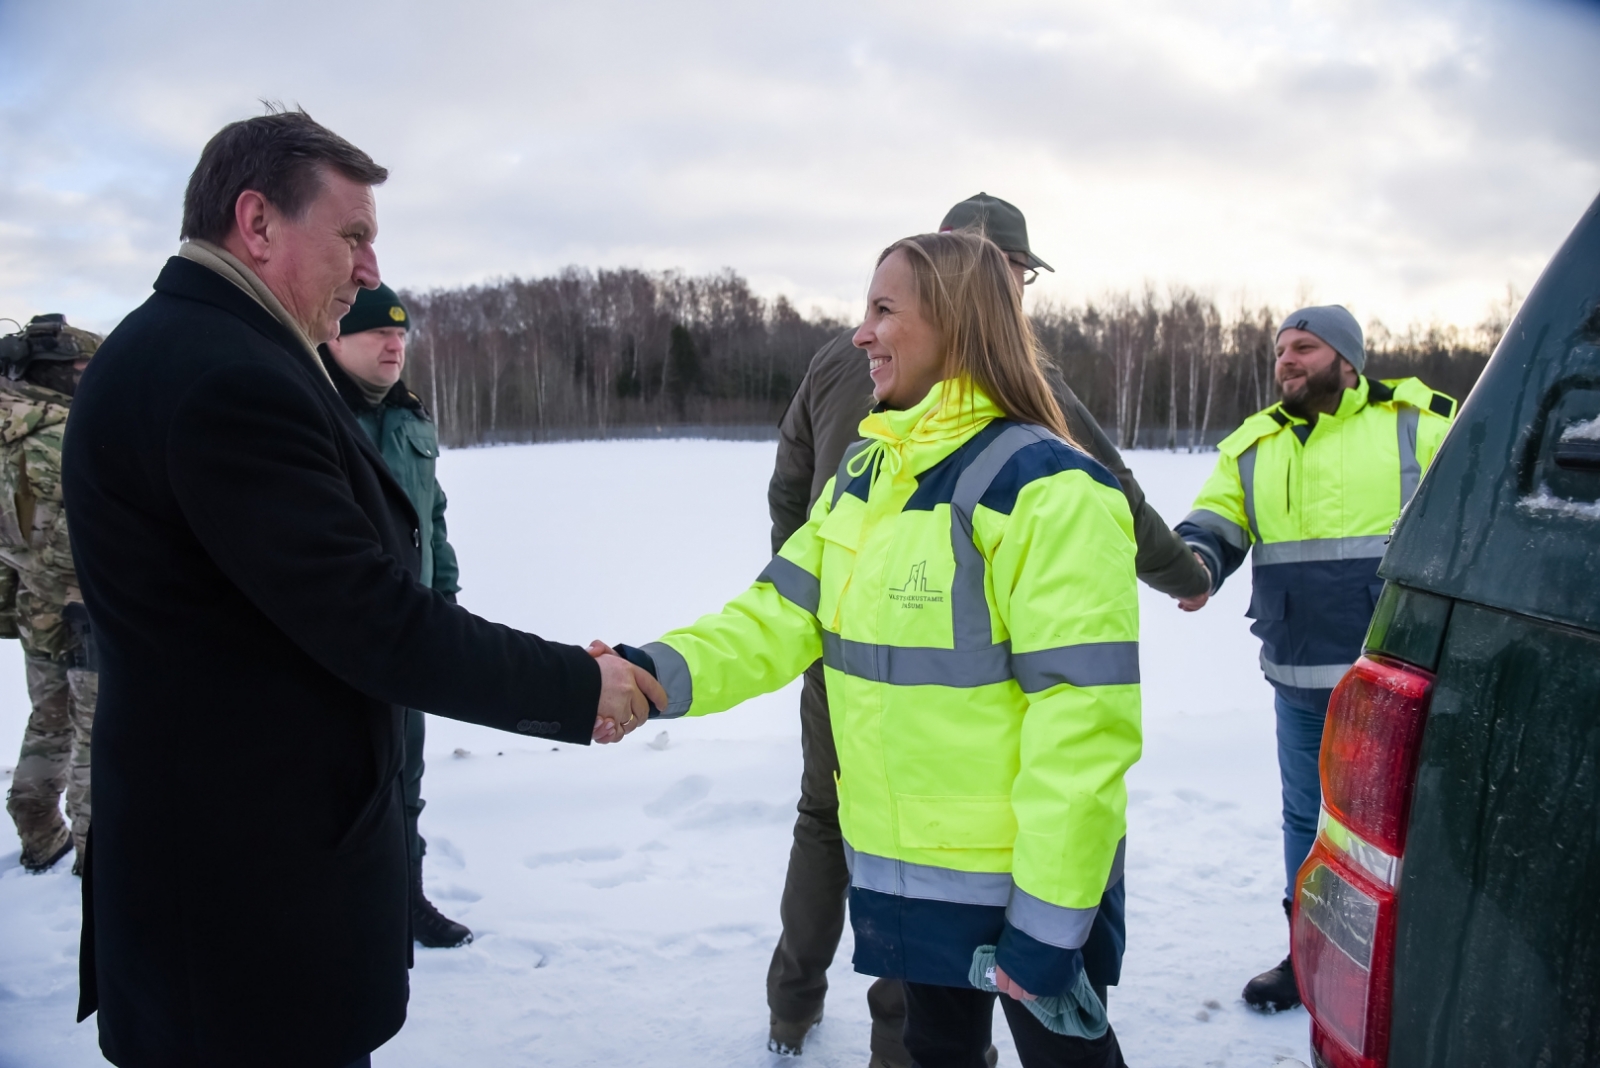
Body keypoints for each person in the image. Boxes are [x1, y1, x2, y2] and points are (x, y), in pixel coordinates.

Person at [61, 108, 663, 1068]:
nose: (370, 269)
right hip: (242, 927)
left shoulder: (208, 350)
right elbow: (369, 619)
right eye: (352, 236)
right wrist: (575, 685)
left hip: (236, 903)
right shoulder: (224, 377)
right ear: (257, 224)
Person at [610, 230, 1138, 1068]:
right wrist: (653, 674)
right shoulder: (869, 476)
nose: (860, 333)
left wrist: (1049, 918)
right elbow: (775, 617)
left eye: (883, 310)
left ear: (958, 328)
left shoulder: (1051, 490)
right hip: (913, 874)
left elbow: (1085, 723)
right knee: (935, 1054)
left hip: (1031, 888)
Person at [764, 192, 1207, 1066]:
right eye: (1013, 272)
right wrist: (1185, 574)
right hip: (953, 676)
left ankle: (794, 1008)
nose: (1018, 292)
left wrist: (821, 597)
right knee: (940, 846)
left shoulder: (831, 364)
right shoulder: (1020, 387)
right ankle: (907, 1039)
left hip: (843, 657)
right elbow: (1113, 486)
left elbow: (786, 488)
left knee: (835, 821)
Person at [1174, 305, 1455, 1012]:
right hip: (1297, 682)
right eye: (1279, 351)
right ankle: (1312, 959)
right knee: (1309, 823)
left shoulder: (1417, 423)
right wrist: (1196, 565)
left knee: (1416, 826)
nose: (1286, 361)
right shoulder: (1254, 445)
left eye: (1303, 347)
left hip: (1400, 686)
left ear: (1347, 359)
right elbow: (1216, 520)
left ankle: (1418, 970)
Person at [319, 283, 471, 949]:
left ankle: (404, 899)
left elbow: (431, 518)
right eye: (378, 333)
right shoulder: (311, 412)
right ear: (334, 338)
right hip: (334, 635)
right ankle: (335, 907)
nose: (393, 344)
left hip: (410, 630)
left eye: (401, 335)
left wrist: (446, 599)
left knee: (406, 772)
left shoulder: (411, 419)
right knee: (336, 777)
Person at [0, 314, 100, 876]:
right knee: (96, 736)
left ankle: (38, 828)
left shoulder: (8, 427)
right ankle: (97, 852)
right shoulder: (65, 434)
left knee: (48, 719)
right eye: (85, 370)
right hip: (87, 607)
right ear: (60, 372)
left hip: (32, 601)